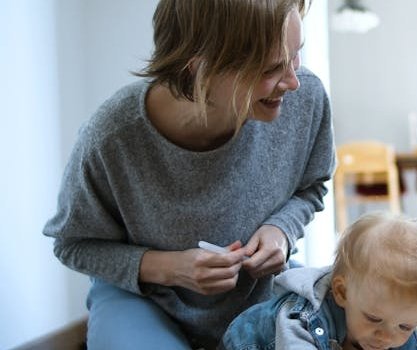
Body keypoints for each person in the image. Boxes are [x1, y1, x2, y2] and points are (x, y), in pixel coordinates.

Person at [42, 0, 334, 349]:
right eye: (271, 68)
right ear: (198, 70)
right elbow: (73, 243)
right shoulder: (112, 138)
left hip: (256, 295)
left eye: (294, 54)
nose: (293, 81)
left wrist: (281, 230)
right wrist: (168, 268)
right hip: (145, 300)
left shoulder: (306, 100)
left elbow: (312, 186)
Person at [220, 212, 417, 350]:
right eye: (373, 318)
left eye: (406, 327)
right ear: (342, 292)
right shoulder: (303, 319)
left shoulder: (393, 320)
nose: (387, 336)